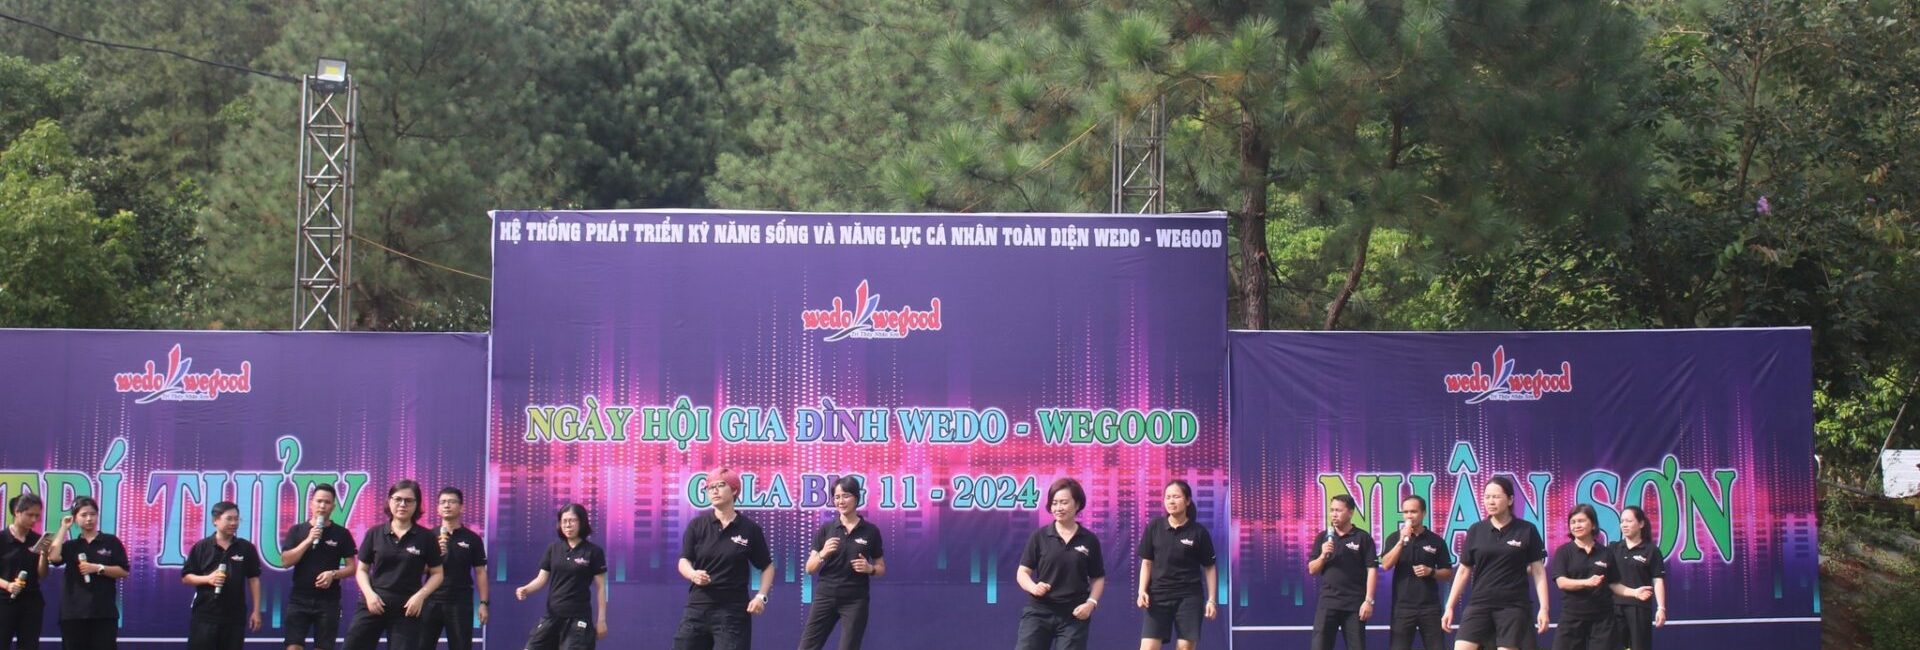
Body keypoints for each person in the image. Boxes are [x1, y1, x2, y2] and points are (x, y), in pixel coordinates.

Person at [1441, 477, 1549, 650]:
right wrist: (1449, 607)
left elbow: (1538, 571)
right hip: (1479, 603)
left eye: (1496, 497)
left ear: (1510, 500)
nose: (1490, 501)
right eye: (1487, 497)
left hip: (1513, 606)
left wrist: (1544, 608)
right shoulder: (1476, 530)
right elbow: (1463, 571)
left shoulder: (1526, 529)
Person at [674, 468, 773, 650]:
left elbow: (767, 567)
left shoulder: (750, 529)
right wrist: (693, 574)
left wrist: (761, 596)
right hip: (697, 609)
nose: (714, 490)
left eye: (720, 485)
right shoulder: (697, 525)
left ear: (734, 490)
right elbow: (684, 561)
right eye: (710, 487)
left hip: (732, 612)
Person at [343, 480, 444, 650]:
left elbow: (438, 573)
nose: (402, 504)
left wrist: (420, 596)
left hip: (408, 607)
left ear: (417, 504)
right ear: (389, 501)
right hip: (374, 602)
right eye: (397, 499)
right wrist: (369, 595)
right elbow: (362, 570)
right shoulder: (374, 533)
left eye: (408, 500)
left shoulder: (426, 537)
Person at [1014, 477, 1107, 650]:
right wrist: (1033, 587)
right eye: (1054, 503)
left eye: (1064, 502)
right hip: (1039, 611)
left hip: (1074, 615)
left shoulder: (1089, 539)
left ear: (1077, 504)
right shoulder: (1039, 536)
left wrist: (1091, 603)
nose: (1058, 508)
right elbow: (1022, 573)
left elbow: (1098, 577)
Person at [799, 476, 885, 650]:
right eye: (837, 497)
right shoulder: (826, 529)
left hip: (855, 600)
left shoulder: (871, 531)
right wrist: (823, 553)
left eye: (846, 496)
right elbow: (809, 568)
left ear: (856, 498)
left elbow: (881, 567)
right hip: (825, 596)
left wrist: (870, 569)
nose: (841, 501)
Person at [1136, 479, 1218, 650]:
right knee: (1148, 647)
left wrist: (1211, 600)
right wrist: (1142, 591)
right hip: (1158, 596)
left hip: (1189, 597)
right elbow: (1147, 562)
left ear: (1187, 501)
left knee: (1185, 647)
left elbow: (1210, 567)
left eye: (1176, 497)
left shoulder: (1199, 532)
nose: (1171, 501)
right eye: (1168, 497)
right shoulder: (1154, 526)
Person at [516, 504, 608, 650]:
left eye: (572, 520)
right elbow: (541, 579)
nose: (568, 525)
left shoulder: (594, 552)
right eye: (564, 521)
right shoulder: (553, 549)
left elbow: (602, 587)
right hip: (552, 616)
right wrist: (526, 589)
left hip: (578, 619)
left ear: (582, 522)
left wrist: (601, 620)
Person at [46, 497, 131, 650]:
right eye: (83, 515)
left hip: (103, 612)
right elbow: (53, 557)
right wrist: (64, 528)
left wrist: (98, 568)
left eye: (92, 514)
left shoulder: (111, 541)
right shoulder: (71, 545)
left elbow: (123, 571)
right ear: (75, 518)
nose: (89, 519)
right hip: (73, 613)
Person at [280, 484, 359, 650]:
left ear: (333, 507)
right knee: (293, 646)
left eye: (327, 502)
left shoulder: (342, 534)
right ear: (311, 503)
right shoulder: (297, 530)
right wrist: (308, 540)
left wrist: (333, 574)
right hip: (299, 598)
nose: (322, 506)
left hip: (328, 601)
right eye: (319, 501)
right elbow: (286, 561)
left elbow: (352, 567)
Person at [182, 501, 265, 650]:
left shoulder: (246, 548)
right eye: (229, 519)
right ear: (215, 520)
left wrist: (256, 610)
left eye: (236, 519)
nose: (234, 523)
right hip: (205, 615)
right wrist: (208, 579)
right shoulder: (202, 547)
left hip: (234, 616)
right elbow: (186, 577)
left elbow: (254, 579)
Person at [1379, 495, 1454, 650]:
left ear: (1423, 513)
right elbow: (1386, 565)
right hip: (1403, 607)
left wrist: (1431, 572)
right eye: (1405, 512)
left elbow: (1447, 573)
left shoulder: (1435, 540)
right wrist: (1401, 541)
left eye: (1413, 512)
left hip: (1430, 607)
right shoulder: (1394, 538)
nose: (1409, 516)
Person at [1307, 494, 1377, 650]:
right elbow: (1312, 569)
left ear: (1350, 512)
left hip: (1354, 604)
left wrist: (1368, 601)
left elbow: (1372, 570)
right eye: (1332, 510)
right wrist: (1323, 556)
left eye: (1338, 510)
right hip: (1328, 602)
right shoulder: (1323, 537)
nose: (1333, 514)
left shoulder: (1362, 537)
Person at [422, 487, 489, 650]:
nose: (447, 505)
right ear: (438, 508)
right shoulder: (427, 537)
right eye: (443, 502)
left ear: (461, 507)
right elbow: (419, 570)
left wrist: (483, 603)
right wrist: (436, 555)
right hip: (430, 600)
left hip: (460, 601)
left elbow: (480, 572)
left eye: (452, 502)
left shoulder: (472, 538)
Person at [1608, 506, 1665, 650]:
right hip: (1614, 607)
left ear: (1641, 524)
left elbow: (1658, 580)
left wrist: (1661, 608)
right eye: (1622, 521)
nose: (1624, 525)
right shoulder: (1613, 548)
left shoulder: (1651, 550)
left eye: (1629, 521)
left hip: (1639, 608)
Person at [1, 493, 51, 649]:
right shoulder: (2, 538)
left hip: (31, 601)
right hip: (4, 601)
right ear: (17, 512)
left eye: (37, 516)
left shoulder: (37, 540)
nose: (34, 520)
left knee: (29, 645)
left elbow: (42, 574)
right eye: (30, 515)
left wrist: (44, 554)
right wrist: (7, 585)